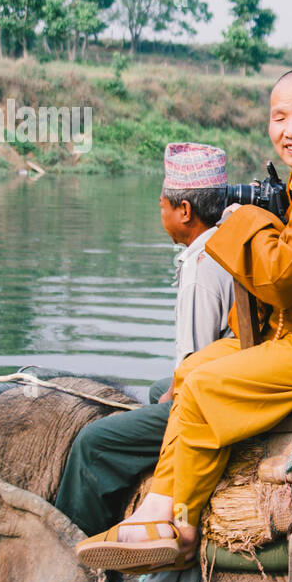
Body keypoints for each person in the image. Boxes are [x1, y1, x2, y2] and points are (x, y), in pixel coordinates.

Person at [76, 68, 292, 573]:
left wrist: (244, 219)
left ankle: (179, 526)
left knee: (209, 385)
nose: (290, 128)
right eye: (279, 117)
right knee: (192, 370)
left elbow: (285, 276)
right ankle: (158, 507)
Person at [53, 143, 233, 537]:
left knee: (92, 443)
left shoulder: (202, 272)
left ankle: (73, 548)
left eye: (163, 205)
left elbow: (195, 368)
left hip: (209, 400)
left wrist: (174, 396)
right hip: (223, 380)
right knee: (155, 390)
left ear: (185, 211)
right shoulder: (229, 240)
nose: (161, 214)